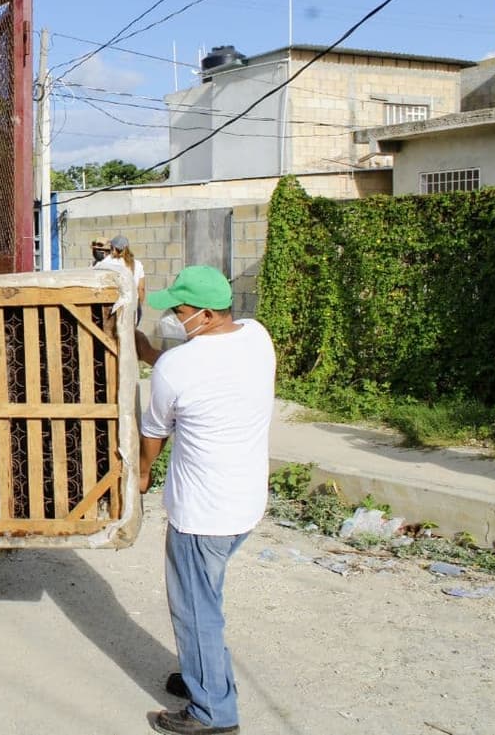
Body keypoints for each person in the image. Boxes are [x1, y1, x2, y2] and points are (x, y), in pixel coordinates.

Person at [132, 265, 275, 735]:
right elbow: (205, 379)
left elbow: (154, 431)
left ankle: (214, 713)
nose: (174, 316)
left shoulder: (178, 367)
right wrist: (153, 354)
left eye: (181, 310)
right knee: (207, 599)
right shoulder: (256, 337)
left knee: (196, 610)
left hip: (202, 513)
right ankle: (204, 677)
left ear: (208, 315)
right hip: (245, 504)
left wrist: (145, 471)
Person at [94, 235, 146, 319]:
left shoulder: (109, 262)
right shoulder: (138, 264)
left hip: (114, 306)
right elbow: (141, 289)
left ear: (114, 249)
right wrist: (138, 306)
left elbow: (96, 271)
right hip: (133, 306)